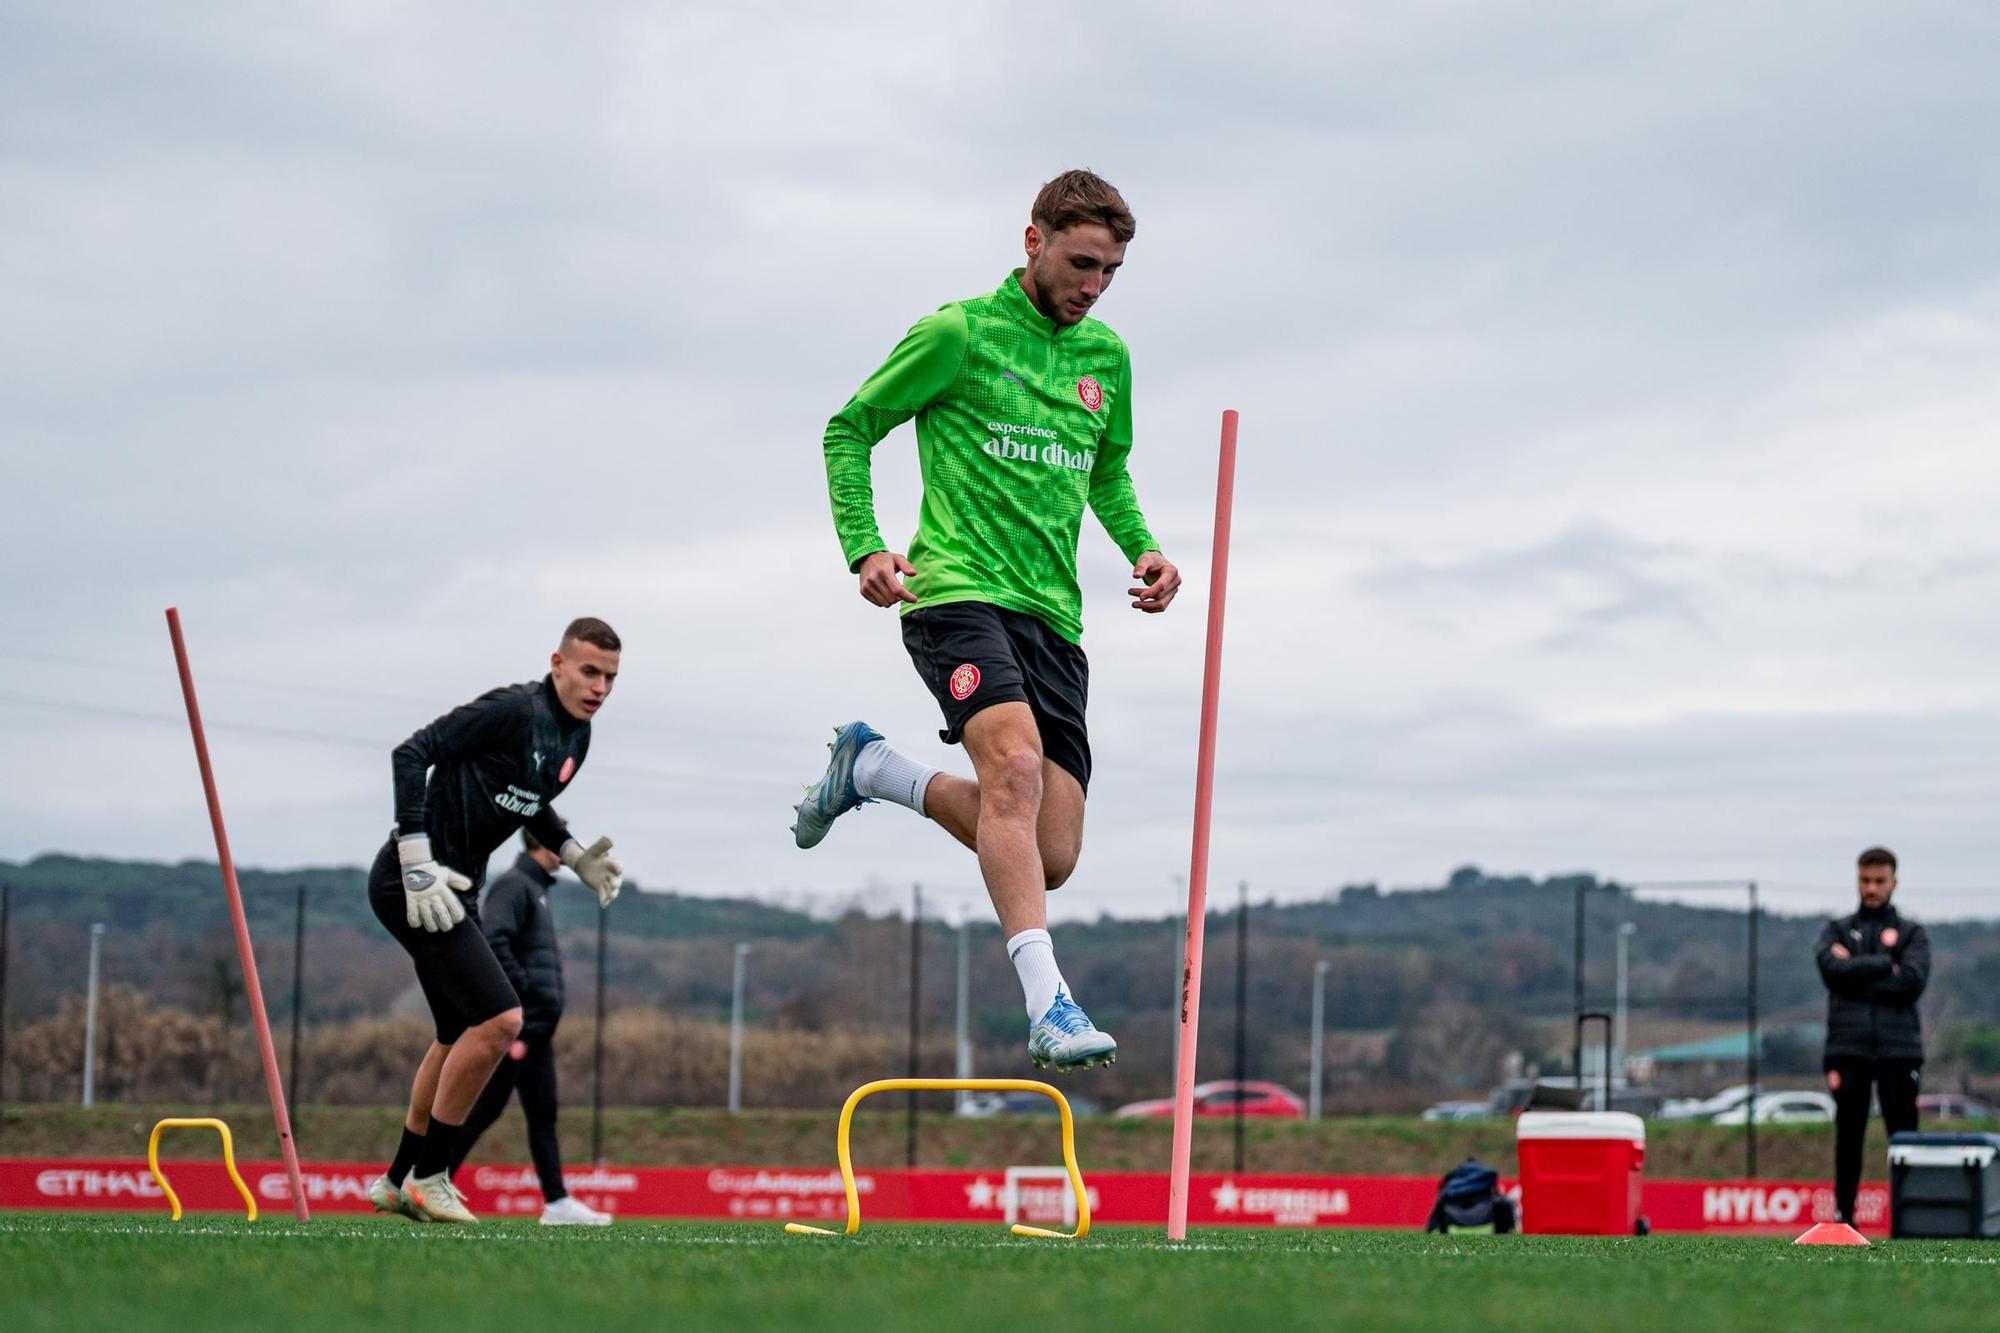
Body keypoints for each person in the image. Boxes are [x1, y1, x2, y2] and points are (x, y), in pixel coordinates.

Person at [793, 170, 1180, 1072]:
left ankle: (874, 768)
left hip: (1054, 615)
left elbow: (1106, 473)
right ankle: (1049, 1004)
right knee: (1012, 765)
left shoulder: (1108, 358)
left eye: (1112, 271)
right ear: (1032, 239)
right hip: (956, 591)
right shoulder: (958, 332)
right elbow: (850, 427)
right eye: (1082, 262)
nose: (1093, 285)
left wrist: (1143, 548)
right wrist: (867, 546)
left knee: (1049, 853)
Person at [365, 618, 627, 1225]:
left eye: (611, 678)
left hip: (455, 890)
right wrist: (414, 853)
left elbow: (531, 801)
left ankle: (398, 1178)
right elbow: (413, 752)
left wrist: (570, 852)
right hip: (415, 883)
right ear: (557, 663)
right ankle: (432, 1178)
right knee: (502, 1017)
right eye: (589, 671)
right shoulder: (513, 709)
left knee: (460, 1030)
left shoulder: (576, 738)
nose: (600, 688)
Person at [444, 831, 611, 1226]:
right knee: (485, 1108)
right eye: (562, 845)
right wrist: (521, 994)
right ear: (544, 846)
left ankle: (557, 1203)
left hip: (537, 1030)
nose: (568, 854)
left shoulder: (536, 889)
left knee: (543, 1113)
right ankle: (432, 1181)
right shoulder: (514, 886)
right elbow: (494, 939)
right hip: (518, 1025)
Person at [1815, 845, 1930, 1225]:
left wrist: (1855, 972)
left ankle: (1910, 1219)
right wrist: (1884, 966)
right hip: (1848, 1049)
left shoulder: (1913, 934)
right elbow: (1831, 971)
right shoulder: (1836, 929)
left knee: (1905, 1141)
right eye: (1866, 880)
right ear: (1857, 880)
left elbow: (1911, 984)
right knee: (1849, 1138)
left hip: (1899, 1051)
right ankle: (1844, 1219)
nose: (1872, 888)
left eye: (1879, 880)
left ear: (1894, 882)